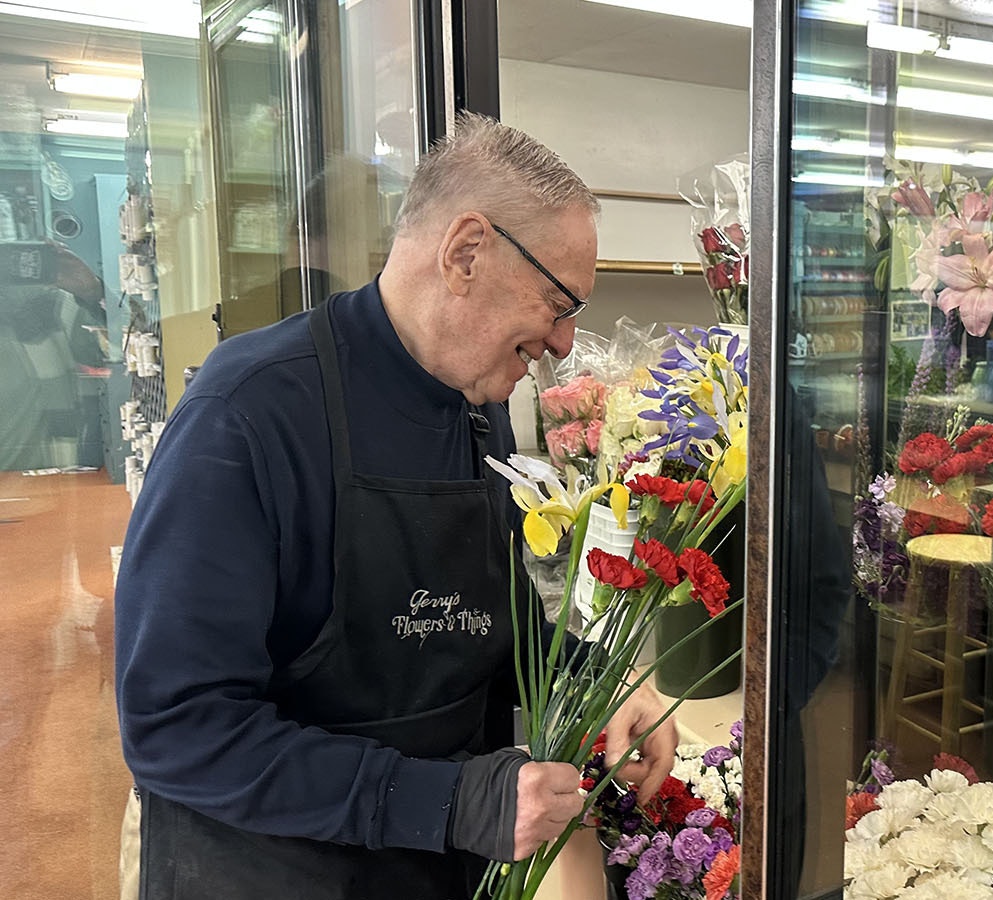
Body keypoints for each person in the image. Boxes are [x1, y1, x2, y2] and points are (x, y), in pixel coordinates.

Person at [114, 113, 676, 900]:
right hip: (269, 870)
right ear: (466, 252)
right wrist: (446, 802)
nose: (564, 343)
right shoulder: (249, 415)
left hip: (425, 865)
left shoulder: (474, 410)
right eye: (558, 301)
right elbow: (176, 726)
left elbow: (489, 631)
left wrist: (604, 686)